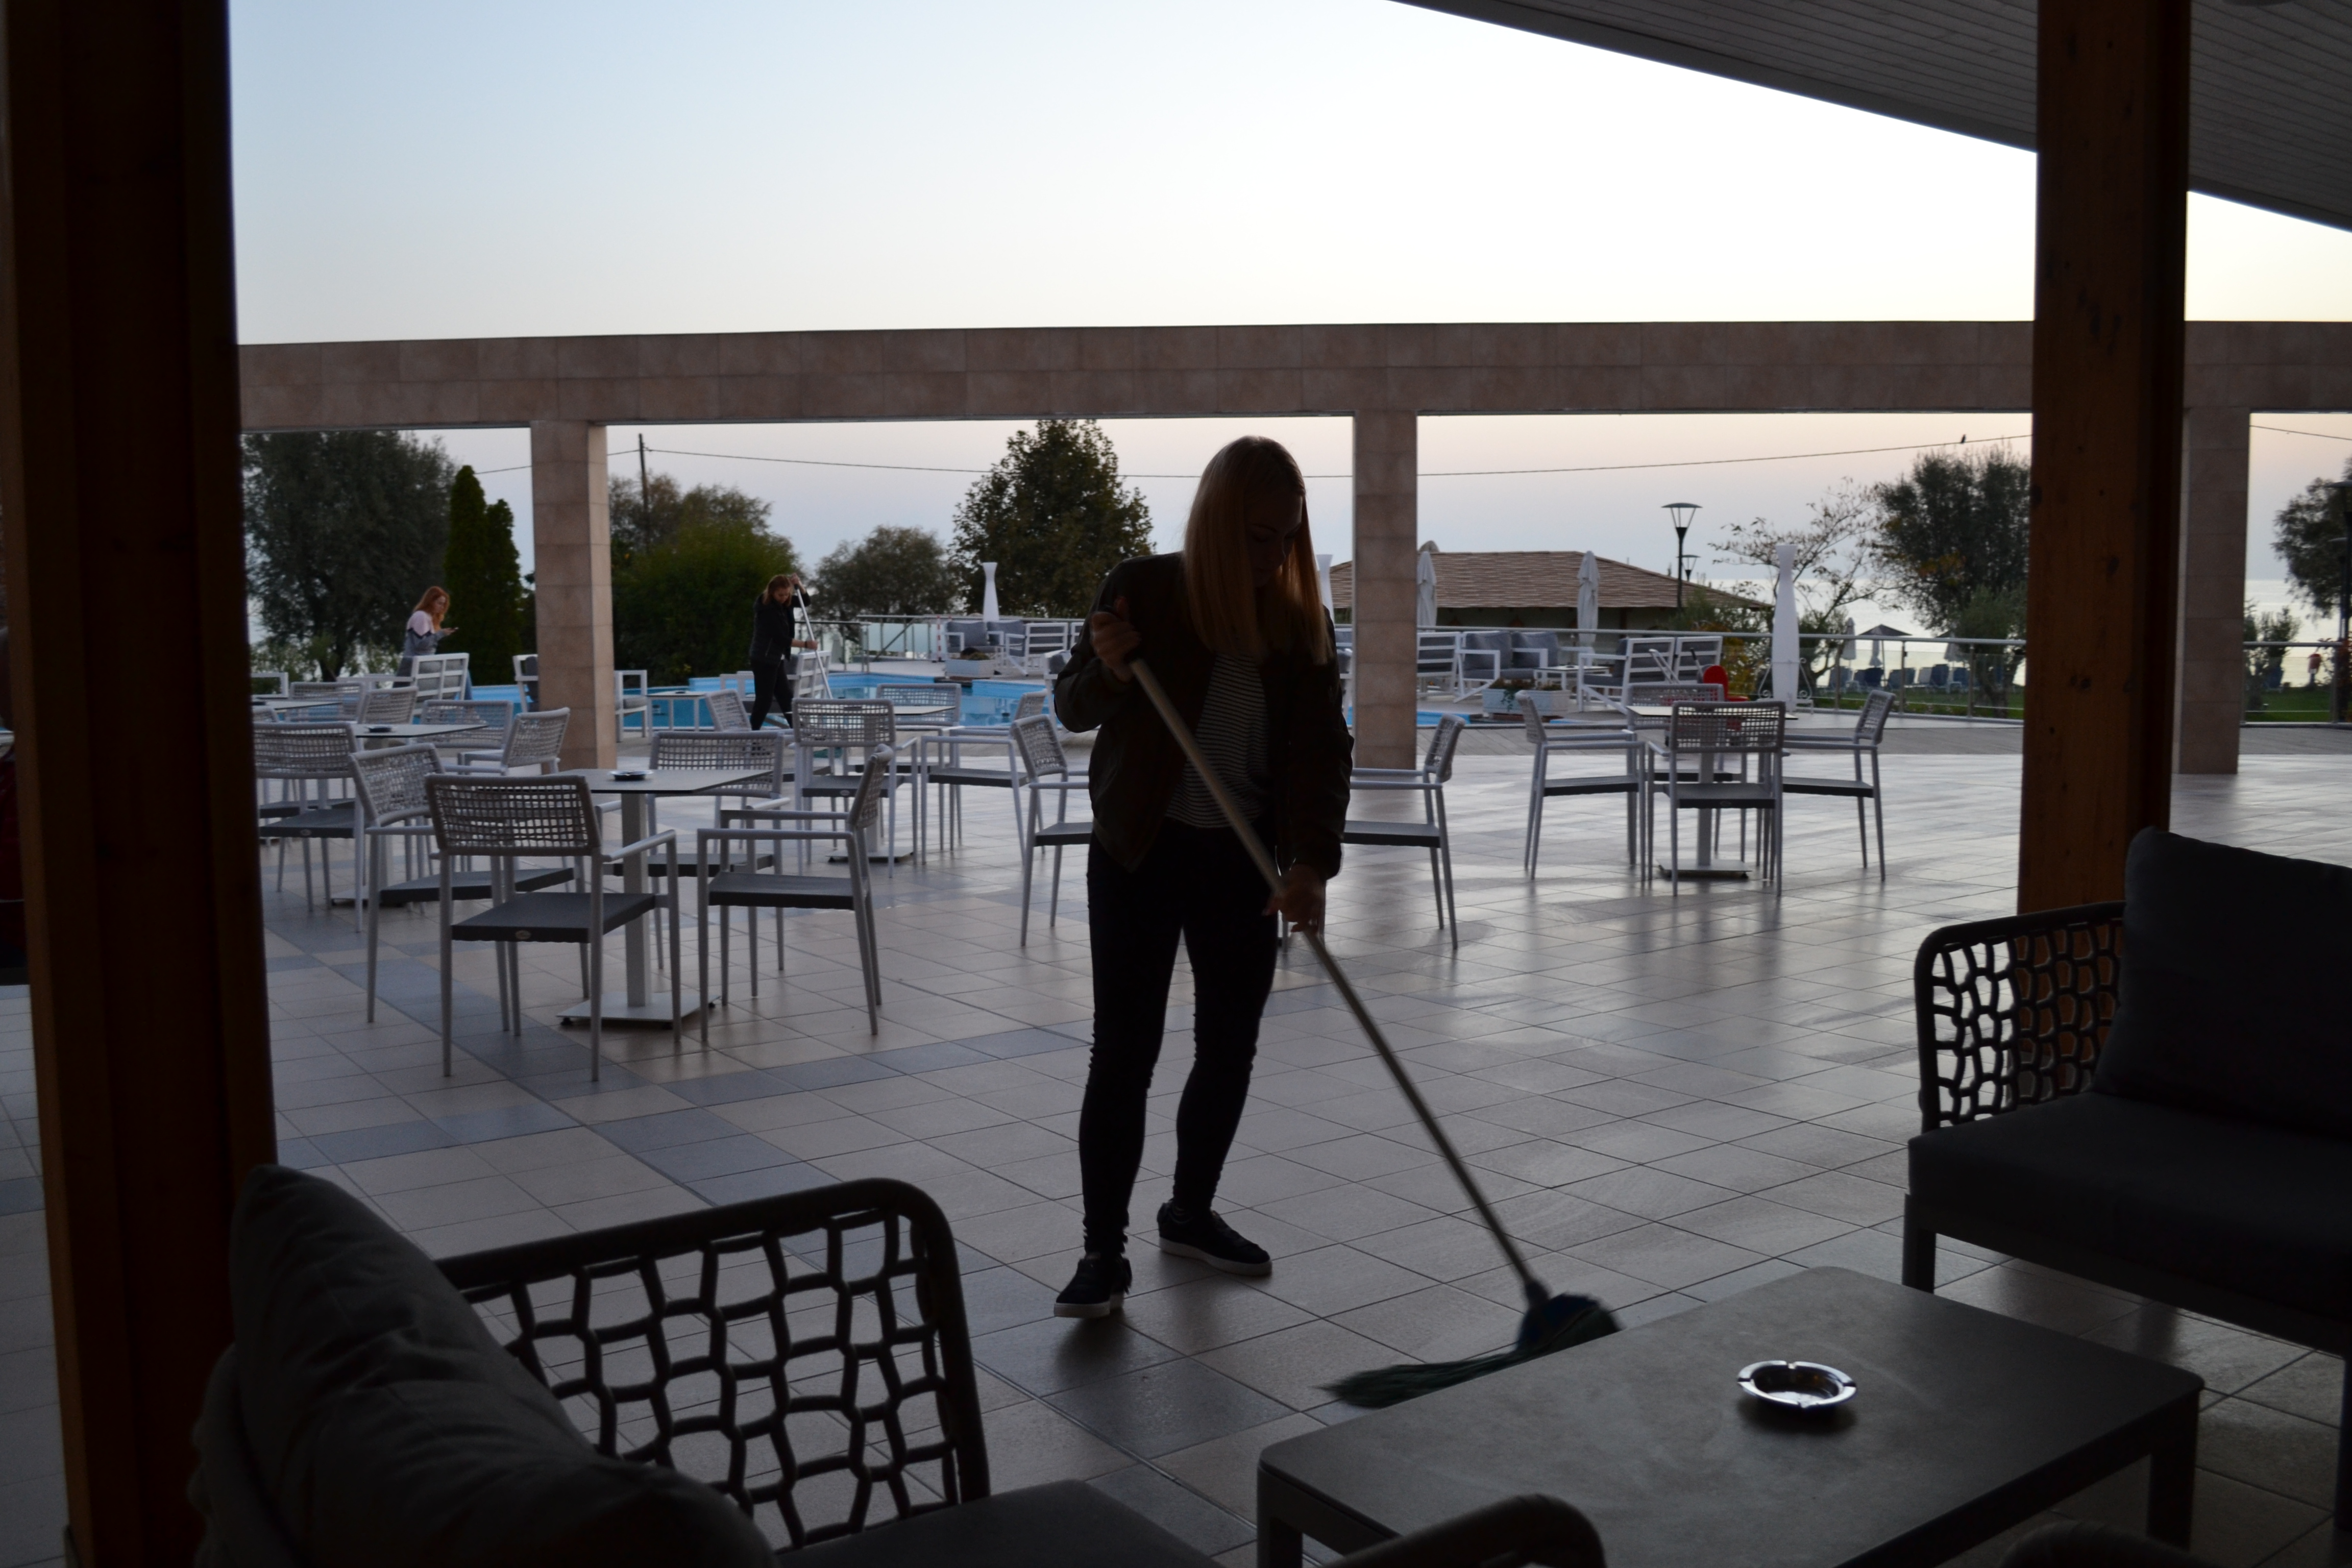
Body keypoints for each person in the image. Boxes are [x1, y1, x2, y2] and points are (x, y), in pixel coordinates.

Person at [1048, 435, 1352, 1319]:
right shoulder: (1142, 590)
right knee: (1124, 1051)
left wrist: (1310, 862)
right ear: (1218, 523)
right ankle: (1102, 1252)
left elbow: (1319, 755)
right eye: (1257, 537)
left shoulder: (1299, 626)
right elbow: (1071, 704)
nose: (1274, 557)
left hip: (1239, 862)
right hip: (1139, 853)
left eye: (1287, 539)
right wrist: (1110, 668)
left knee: (1227, 1046)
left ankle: (1188, 1212)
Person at [748, 573, 807, 729]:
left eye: (787, 594)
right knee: (764, 700)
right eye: (781, 595)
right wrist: (806, 644)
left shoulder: (786, 603)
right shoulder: (767, 610)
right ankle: (752, 735)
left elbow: (806, 601)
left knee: (786, 697)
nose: (784, 598)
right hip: (764, 659)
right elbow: (780, 638)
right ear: (772, 592)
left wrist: (799, 585)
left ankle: (798, 731)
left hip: (776, 659)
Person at [400, 587, 454, 676]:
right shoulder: (421, 616)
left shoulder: (429, 618)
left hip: (424, 663)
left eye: (444, 604)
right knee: (462, 671)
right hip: (415, 665)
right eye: (439, 603)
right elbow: (421, 645)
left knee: (461, 671)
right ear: (430, 602)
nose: (442, 607)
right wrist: (441, 634)